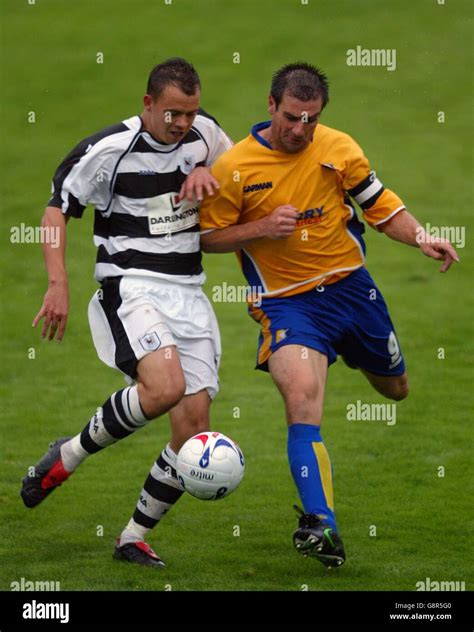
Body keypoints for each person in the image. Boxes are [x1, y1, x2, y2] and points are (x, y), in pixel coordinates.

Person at [199, 62, 459, 568]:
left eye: (310, 120)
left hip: (351, 292)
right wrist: (261, 228)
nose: (300, 130)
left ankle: (350, 352)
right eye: (292, 117)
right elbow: (208, 238)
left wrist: (423, 236)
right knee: (301, 400)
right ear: (271, 105)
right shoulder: (235, 168)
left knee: (395, 389)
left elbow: (379, 206)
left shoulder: (339, 149)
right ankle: (321, 524)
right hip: (287, 303)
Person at [21, 57, 232, 568]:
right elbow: (57, 210)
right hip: (132, 285)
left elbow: (239, 174)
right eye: (172, 113)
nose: (182, 124)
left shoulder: (206, 136)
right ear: (147, 104)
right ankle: (69, 454)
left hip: (190, 293)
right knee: (163, 389)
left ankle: (132, 537)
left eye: (191, 113)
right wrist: (58, 283)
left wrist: (211, 171)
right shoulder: (108, 150)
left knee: (192, 432)